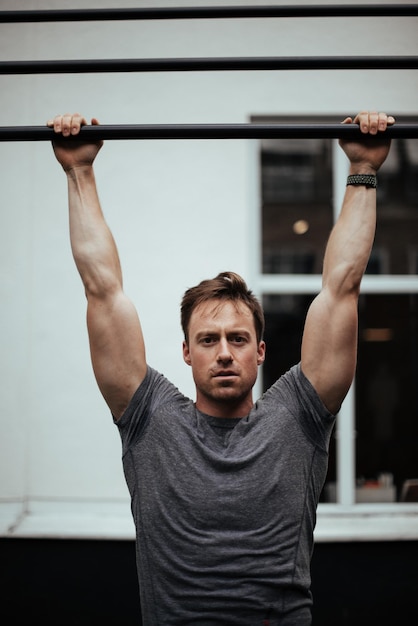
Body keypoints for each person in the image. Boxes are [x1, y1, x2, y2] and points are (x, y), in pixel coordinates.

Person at [48, 111, 394, 625]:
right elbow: (102, 289)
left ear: (260, 351)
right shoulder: (151, 420)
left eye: (238, 339)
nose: (225, 352)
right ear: (186, 352)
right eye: (208, 340)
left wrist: (363, 167)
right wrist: (79, 170)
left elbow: (341, 288)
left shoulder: (297, 418)